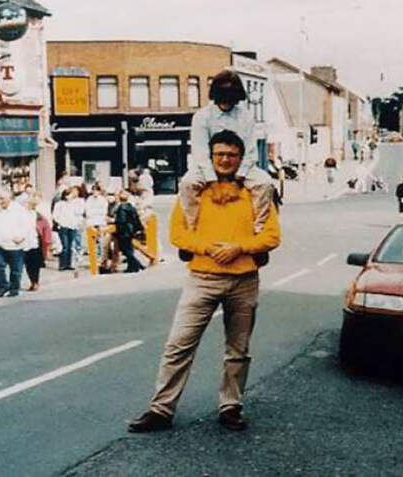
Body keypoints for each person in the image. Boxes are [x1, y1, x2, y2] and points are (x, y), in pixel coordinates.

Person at [128, 130, 281, 434]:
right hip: (202, 279)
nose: (225, 160)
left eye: (231, 155)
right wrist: (208, 248)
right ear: (211, 158)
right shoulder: (194, 192)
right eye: (219, 154)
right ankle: (161, 409)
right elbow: (178, 234)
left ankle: (230, 406)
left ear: (241, 159)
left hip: (244, 281)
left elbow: (272, 235)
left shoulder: (255, 192)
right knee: (178, 345)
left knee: (238, 349)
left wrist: (240, 248)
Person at [179, 70, 272, 237]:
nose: (227, 103)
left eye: (231, 99)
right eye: (223, 99)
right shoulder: (202, 117)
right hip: (210, 165)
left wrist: (238, 179)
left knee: (264, 183)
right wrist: (213, 183)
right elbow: (200, 153)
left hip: (239, 165)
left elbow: (251, 151)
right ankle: (191, 229)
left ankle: (259, 230)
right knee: (187, 183)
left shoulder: (246, 116)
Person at [0, 188, 28, 297]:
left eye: (2, 199)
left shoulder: (19, 210)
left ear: (9, 198)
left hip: (14, 245)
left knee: (16, 269)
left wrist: (21, 236)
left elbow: (27, 225)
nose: (0, 201)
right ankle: (3, 286)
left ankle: (14, 288)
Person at [23, 194, 52, 291]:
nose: (25, 206)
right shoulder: (21, 216)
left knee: (35, 264)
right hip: (24, 242)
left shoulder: (39, 217)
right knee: (28, 264)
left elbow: (47, 230)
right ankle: (32, 281)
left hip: (36, 242)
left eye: (26, 204)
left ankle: (35, 282)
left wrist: (48, 244)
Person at [114, 189, 145, 273]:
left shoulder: (121, 208)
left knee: (125, 250)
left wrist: (115, 224)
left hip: (124, 231)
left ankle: (138, 264)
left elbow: (121, 220)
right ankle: (132, 267)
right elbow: (136, 219)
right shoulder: (131, 207)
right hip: (131, 230)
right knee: (129, 249)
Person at [52, 188, 79, 271]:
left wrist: (76, 223)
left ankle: (68, 263)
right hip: (63, 226)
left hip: (72, 226)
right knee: (65, 246)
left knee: (70, 246)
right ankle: (62, 264)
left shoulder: (74, 204)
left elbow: (77, 214)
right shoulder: (60, 204)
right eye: (69, 194)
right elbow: (55, 215)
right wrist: (61, 222)